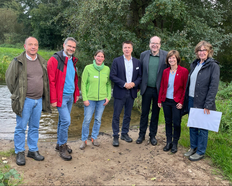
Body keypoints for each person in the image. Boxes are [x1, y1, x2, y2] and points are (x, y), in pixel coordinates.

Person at [5, 37, 51, 166]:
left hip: (38, 101)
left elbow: (45, 80)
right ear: (24, 46)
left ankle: (32, 150)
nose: (33, 47)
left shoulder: (42, 61)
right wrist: (18, 95)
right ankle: (19, 152)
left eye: (35, 44)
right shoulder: (18, 61)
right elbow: (9, 80)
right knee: (21, 127)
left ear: (38, 47)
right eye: (30, 44)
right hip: (24, 101)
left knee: (35, 127)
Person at [183, 41, 220, 161]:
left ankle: (200, 151)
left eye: (204, 50)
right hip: (191, 99)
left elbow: (213, 87)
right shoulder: (195, 64)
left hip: (203, 102)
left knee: (202, 127)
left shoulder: (213, 66)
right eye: (199, 50)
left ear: (209, 51)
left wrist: (208, 104)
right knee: (193, 125)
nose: (202, 52)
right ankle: (193, 147)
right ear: (197, 52)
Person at [47, 37, 80, 161]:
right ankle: (62, 146)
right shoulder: (55, 59)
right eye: (69, 46)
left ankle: (59, 143)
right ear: (64, 45)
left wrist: (76, 93)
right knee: (66, 121)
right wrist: (53, 99)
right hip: (60, 97)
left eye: (73, 47)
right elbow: (51, 81)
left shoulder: (72, 60)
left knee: (62, 121)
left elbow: (74, 79)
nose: (71, 49)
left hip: (70, 96)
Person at [136, 36, 168, 145]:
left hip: (158, 90)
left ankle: (152, 136)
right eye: (153, 43)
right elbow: (140, 72)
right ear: (149, 44)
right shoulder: (143, 55)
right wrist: (138, 86)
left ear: (160, 44)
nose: (155, 45)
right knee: (144, 113)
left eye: (157, 43)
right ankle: (141, 135)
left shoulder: (166, 55)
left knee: (155, 113)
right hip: (146, 89)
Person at [110, 41, 142, 147]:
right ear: (122, 49)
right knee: (116, 115)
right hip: (120, 91)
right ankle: (115, 135)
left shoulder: (137, 62)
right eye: (125, 47)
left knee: (128, 115)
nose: (127, 49)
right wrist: (124, 84)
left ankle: (124, 133)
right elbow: (112, 76)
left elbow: (140, 77)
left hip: (132, 92)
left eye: (129, 47)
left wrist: (134, 84)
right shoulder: (116, 61)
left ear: (132, 49)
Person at [158, 50, 189, 153]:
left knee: (176, 123)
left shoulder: (184, 71)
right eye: (170, 58)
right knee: (168, 122)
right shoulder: (165, 71)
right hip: (166, 101)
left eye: (173, 58)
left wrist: (182, 102)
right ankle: (168, 142)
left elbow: (185, 88)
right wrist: (160, 100)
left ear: (177, 59)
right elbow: (162, 86)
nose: (171, 59)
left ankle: (175, 143)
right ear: (168, 60)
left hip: (177, 102)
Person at [80, 50, 111, 150]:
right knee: (87, 119)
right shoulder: (88, 68)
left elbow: (108, 84)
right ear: (94, 57)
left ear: (104, 58)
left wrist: (108, 97)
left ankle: (94, 138)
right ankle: (84, 140)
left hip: (102, 99)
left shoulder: (107, 69)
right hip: (90, 99)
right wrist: (84, 98)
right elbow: (83, 84)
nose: (100, 58)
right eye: (98, 56)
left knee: (98, 120)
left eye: (102, 56)